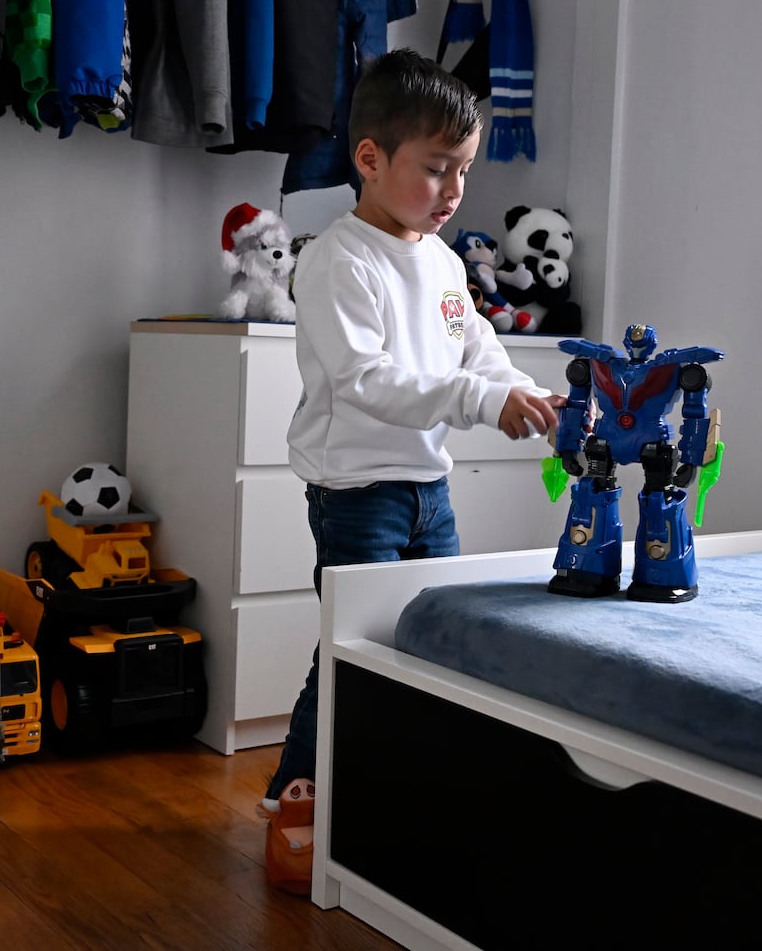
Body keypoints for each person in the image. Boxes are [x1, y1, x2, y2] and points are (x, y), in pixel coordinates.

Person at [263, 48, 564, 893]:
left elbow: (479, 348)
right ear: (370, 158)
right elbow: (370, 382)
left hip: (428, 491)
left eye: (463, 171)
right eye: (437, 170)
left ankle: (399, 789)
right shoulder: (338, 261)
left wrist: (521, 394)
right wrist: (477, 400)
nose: (456, 192)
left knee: (433, 641)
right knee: (349, 650)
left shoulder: (442, 262)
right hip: (358, 497)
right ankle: (295, 799)